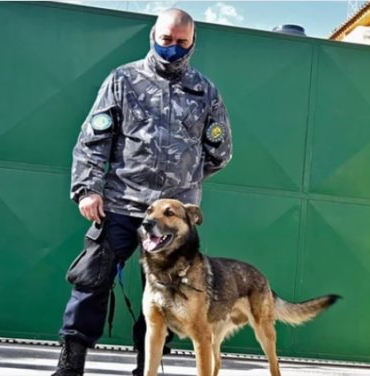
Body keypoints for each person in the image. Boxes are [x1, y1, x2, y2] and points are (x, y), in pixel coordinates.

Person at [53, 8, 233, 376]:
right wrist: (88, 188)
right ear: (153, 35)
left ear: (193, 42)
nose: (173, 47)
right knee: (92, 278)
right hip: (121, 204)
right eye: (166, 39)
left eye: (181, 41)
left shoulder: (205, 91)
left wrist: (185, 186)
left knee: (169, 293)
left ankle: (146, 369)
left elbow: (220, 152)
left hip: (173, 221)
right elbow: (93, 140)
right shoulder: (123, 80)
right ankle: (70, 367)